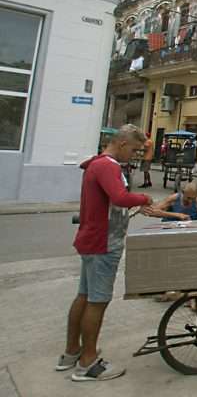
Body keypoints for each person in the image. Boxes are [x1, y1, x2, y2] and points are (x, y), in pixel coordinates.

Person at [58, 125, 153, 382]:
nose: (134, 155)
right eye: (134, 150)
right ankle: (88, 363)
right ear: (121, 143)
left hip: (93, 240)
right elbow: (120, 197)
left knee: (84, 295)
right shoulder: (107, 166)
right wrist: (144, 198)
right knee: (97, 301)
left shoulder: (97, 164)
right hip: (103, 243)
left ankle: (72, 351)